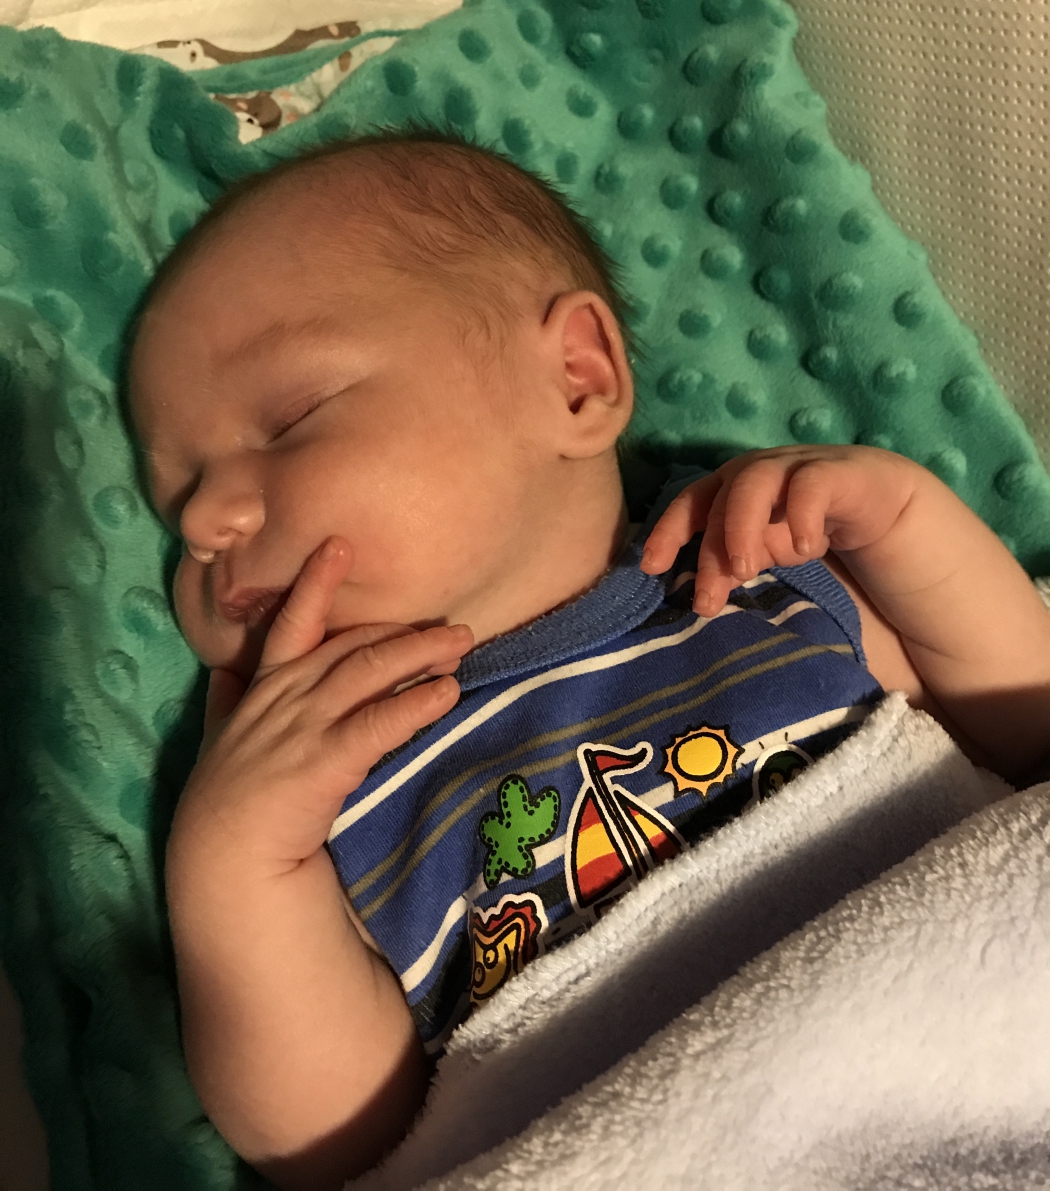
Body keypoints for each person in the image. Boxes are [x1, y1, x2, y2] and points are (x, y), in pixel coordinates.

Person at [126, 132, 1050, 1191]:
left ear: (575, 378)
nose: (205, 520)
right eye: (175, 501)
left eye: (290, 420)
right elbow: (342, 1141)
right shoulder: (322, 800)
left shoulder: (759, 577)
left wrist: (903, 521)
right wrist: (234, 865)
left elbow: (1028, 725)